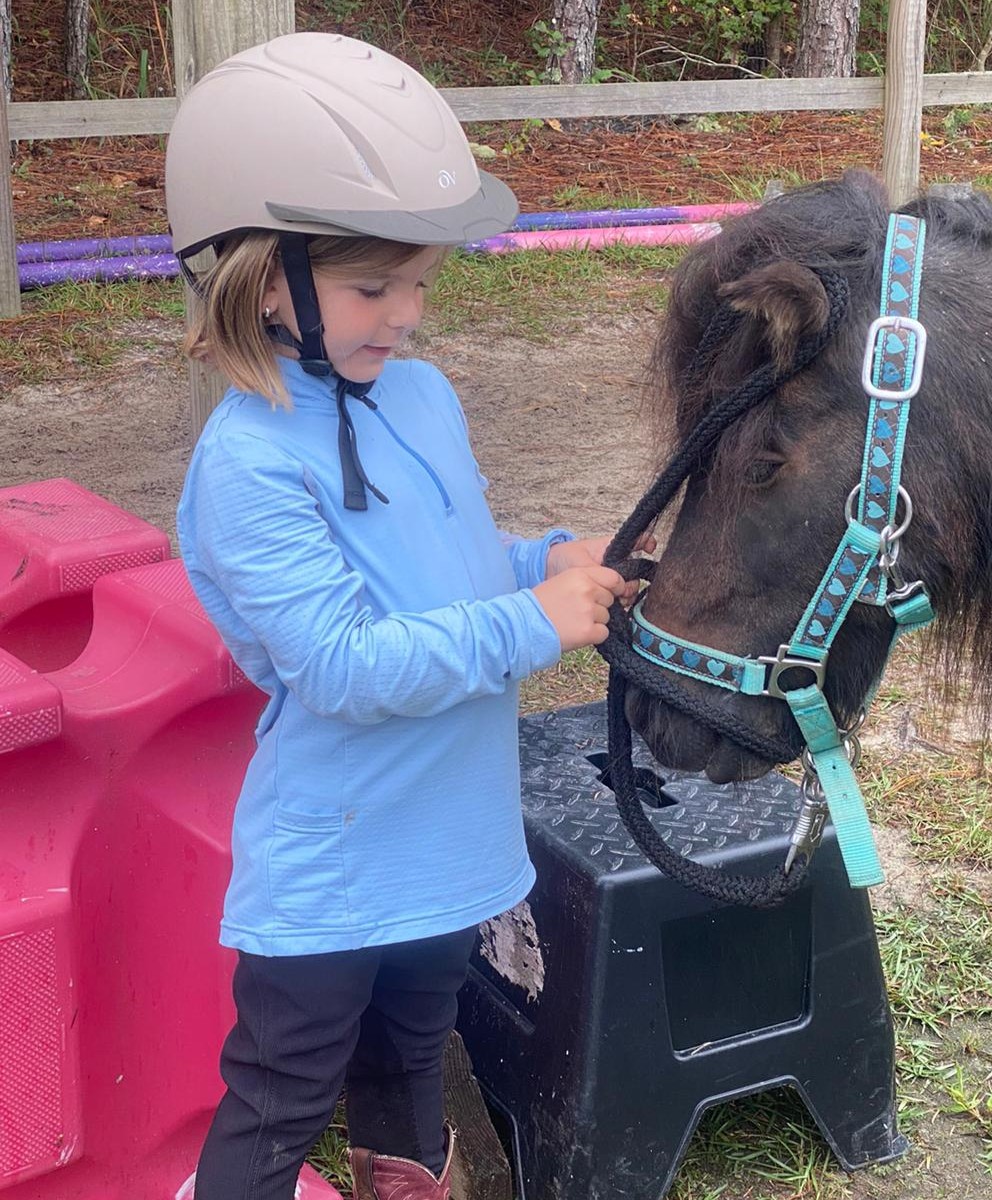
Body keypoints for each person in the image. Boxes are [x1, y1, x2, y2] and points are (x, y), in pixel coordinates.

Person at [167, 31, 644, 1200]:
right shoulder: (246, 464)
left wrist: (543, 560)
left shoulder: (419, 395)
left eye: (421, 281)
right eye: (373, 287)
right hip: (335, 863)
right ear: (261, 277)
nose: (407, 315)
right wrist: (536, 620)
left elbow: (449, 571)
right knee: (280, 1102)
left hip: (449, 839)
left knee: (411, 1066)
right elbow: (340, 665)